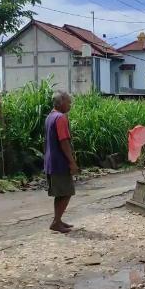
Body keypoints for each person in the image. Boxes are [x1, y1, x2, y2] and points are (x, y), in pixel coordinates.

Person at [44, 90, 78, 233]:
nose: (70, 105)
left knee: (61, 193)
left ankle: (58, 220)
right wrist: (72, 162)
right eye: (69, 102)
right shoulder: (61, 118)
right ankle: (56, 222)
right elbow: (64, 141)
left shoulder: (49, 117)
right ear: (62, 102)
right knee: (67, 191)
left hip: (50, 161)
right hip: (59, 161)